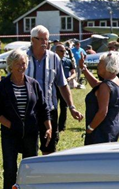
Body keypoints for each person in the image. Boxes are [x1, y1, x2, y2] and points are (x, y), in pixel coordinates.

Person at [0, 49, 51, 189]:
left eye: (23, 63)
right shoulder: (3, 86)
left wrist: (48, 126)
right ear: (10, 66)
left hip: (31, 133)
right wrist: (10, 125)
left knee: (30, 168)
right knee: (10, 167)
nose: (21, 67)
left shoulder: (33, 84)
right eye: (18, 64)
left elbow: (43, 107)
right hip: (10, 134)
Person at [25, 25, 83, 154]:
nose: (44, 43)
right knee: (29, 150)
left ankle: (47, 174)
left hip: (49, 109)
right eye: (41, 39)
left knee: (49, 148)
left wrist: (72, 107)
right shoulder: (23, 57)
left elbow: (62, 84)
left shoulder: (54, 58)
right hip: (29, 111)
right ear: (32, 40)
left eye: (46, 40)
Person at [80, 51, 119, 145]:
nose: (98, 66)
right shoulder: (115, 80)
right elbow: (95, 84)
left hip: (101, 131)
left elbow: (102, 112)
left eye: (100, 63)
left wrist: (90, 128)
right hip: (112, 127)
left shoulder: (105, 86)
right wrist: (84, 68)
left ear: (108, 66)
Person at [54, 44, 76, 132]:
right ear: (56, 51)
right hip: (54, 87)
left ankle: (62, 126)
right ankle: (54, 124)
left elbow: (74, 73)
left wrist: (69, 78)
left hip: (64, 87)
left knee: (64, 107)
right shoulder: (51, 61)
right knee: (53, 107)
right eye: (61, 51)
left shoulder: (68, 61)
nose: (63, 53)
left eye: (64, 51)